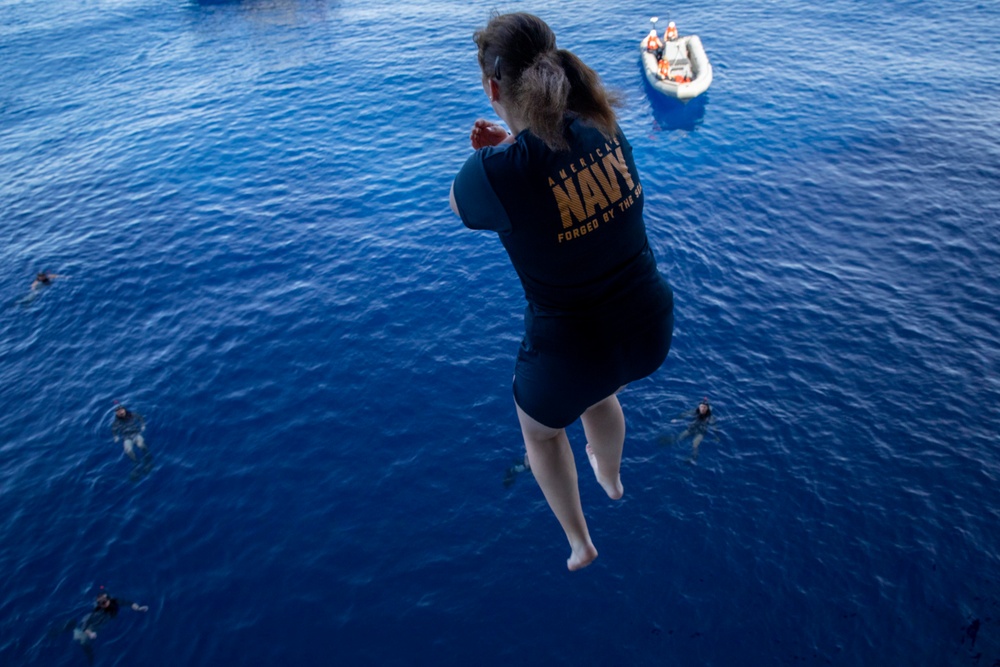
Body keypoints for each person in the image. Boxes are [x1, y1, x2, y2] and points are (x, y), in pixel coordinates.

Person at [450, 12, 674, 571]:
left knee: (543, 433)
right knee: (602, 392)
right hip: (649, 329)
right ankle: (612, 478)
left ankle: (579, 541)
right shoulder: (604, 123)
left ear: (493, 88)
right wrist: (510, 146)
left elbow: (464, 207)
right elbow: (561, 172)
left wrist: (490, 156)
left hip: (570, 357)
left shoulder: (494, 174)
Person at [72, 591, 148, 663]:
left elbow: (129, 603)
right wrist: (90, 633)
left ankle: (76, 633)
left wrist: (138, 608)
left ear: (108, 599)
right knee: (83, 641)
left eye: (104, 602)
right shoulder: (98, 611)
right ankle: (76, 633)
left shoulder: (115, 601)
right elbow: (85, 626)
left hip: (102, 620)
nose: (102, 604)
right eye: (100, 603)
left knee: (82, 640)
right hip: (93, 623)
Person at [673, 398, 717, 463]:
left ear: (707, 408)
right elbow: (684, 414)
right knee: (679, 437)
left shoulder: (710, 417)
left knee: (695, 445)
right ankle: (668, 441)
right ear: (699, 407)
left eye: (704, 407)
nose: (702, 408)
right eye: (701, 406)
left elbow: (714, 427)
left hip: (701, 432)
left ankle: (693, 458)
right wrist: (676, 419)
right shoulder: (694, 411)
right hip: (692, 428)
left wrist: (716, 437)